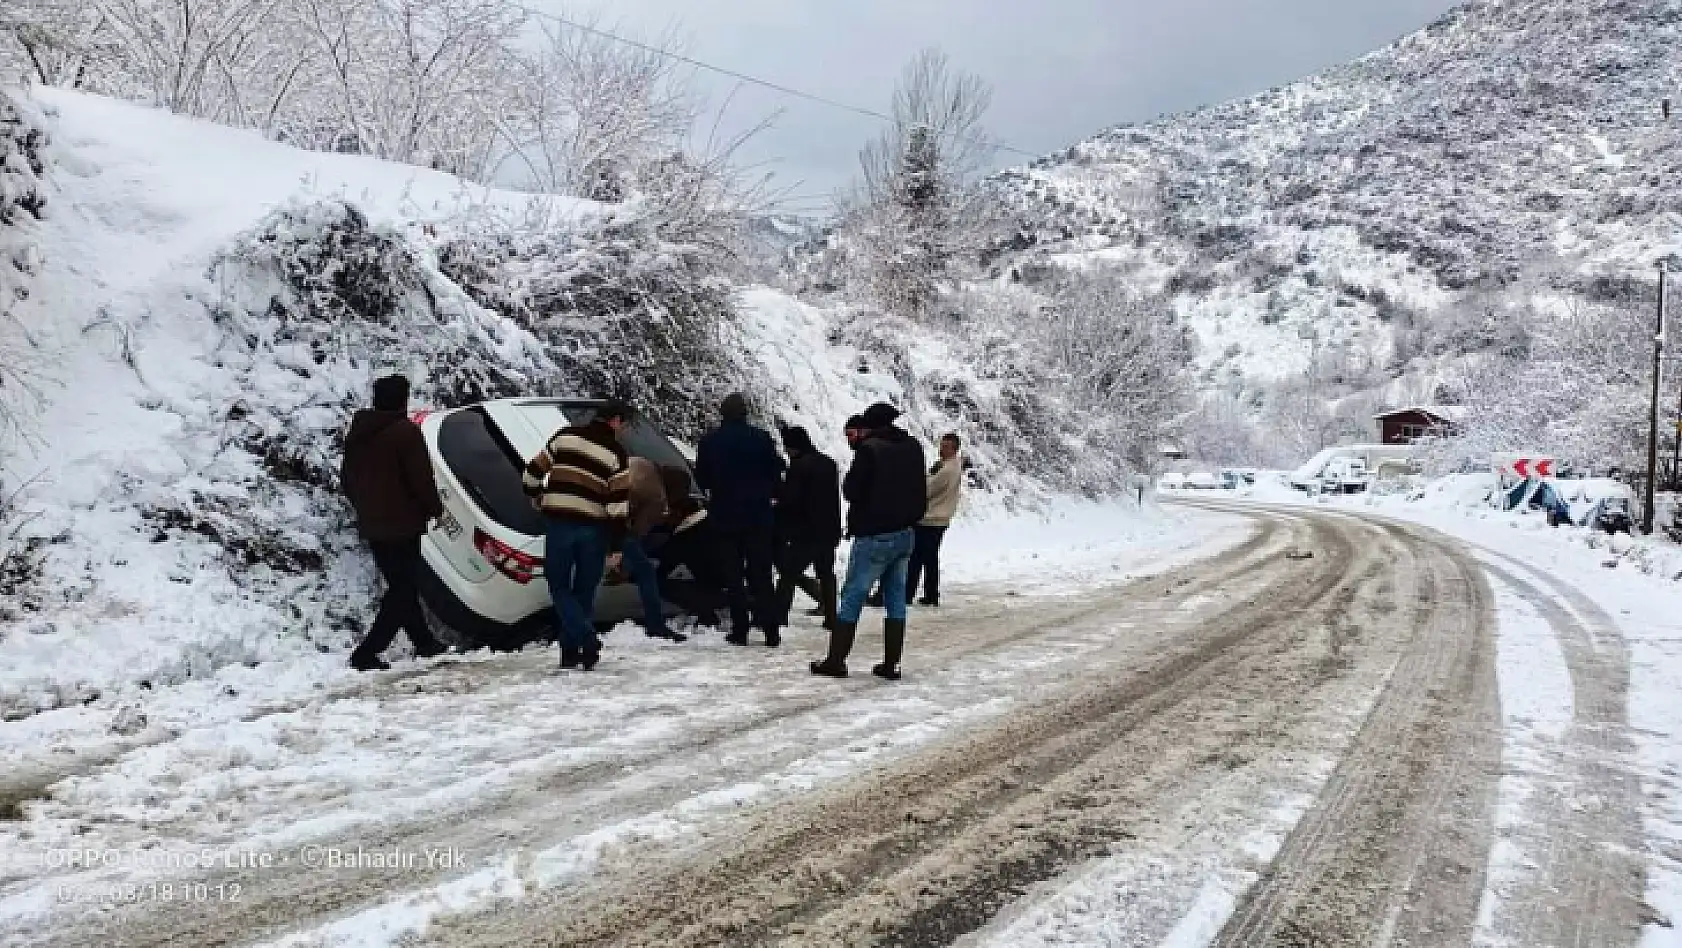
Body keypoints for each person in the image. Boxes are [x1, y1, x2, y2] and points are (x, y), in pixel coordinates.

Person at [812, 402, 926, 681]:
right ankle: (891, 664)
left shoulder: (870, 449)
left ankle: (836, 660)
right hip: (906, 533)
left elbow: (852, 490)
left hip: (873, 535)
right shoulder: (913, 446)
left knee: (853, 596)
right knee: (896, 599)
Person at [339, 374, 446, 671]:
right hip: (403, 525)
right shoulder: (404, 433)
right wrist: (434, 509)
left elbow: (346, 479)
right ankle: (367, 652)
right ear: (402, 399)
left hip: (374, 525)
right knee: (403, 589)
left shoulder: (358, 433)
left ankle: (424, 642)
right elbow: (420, 480)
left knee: (402, 584)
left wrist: (366, 507)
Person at [523, 400, 634, 671]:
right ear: (616, 421)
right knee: (584, 589)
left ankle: (573, 650)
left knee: (558, 586)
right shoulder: (617, 454)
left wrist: (537, 496)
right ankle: (581, 643)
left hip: (559, 522)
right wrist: (617, 545)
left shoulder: (565, 436)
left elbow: (532, 473)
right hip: (593, 529)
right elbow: (617, 506)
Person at [694, 393, 786, 647]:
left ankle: (740, 629)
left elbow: (702, 478)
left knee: (733, 575)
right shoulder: (762, 438)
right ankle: (770, 629)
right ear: (746, 413)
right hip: (758, 515)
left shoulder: (710, 441)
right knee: (762, 573)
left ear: (722, 413)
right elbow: (775, 473)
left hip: (725, 515)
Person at [773, 426, 842, 631]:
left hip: (805, 531)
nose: (787, 452)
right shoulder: (828, 463)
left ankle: (779, 616)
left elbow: (791, 500)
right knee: (826, 573)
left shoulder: (800, 466)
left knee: (788, 573)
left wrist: (778, 508)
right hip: (828, 529)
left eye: (788, 448)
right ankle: (831, 616)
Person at [651, 466, 733, 626]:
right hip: (732, 581)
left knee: (664, 585)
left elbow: (665, 562)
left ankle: (706, 611)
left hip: (716, 586)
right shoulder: (709, 521)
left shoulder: (686, 536)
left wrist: (633, 574)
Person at [620, 455, 687, 642]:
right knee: (647, 571)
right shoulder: (657, 495)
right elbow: (637, 532)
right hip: (615, 522)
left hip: (594, 510)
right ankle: (656, 625)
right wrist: (626, 565)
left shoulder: (642, 463)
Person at [906, 433, 964, 607]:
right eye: (941, 445)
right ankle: (930, 593)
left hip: (931, 518)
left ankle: (911, 593)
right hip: (938, 518)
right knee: (929, 558)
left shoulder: (947, 470)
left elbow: (927, 489)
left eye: (946, 447)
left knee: (917, 558)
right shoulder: (950, 466)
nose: (942, 449)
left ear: (954, 449)